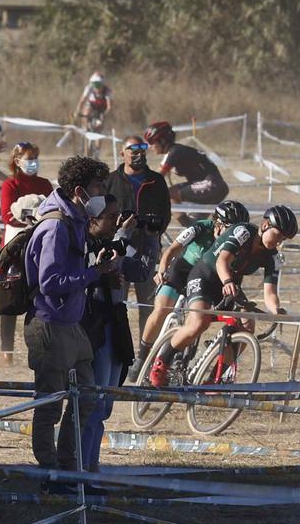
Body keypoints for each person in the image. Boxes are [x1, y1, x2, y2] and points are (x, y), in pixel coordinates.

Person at [23, 155, 118, 486]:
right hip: (50, 323)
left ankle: (68, 467)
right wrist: (94, 273)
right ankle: (51, 472)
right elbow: (50, 282)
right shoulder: (56, 226)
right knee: (50, 404)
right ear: (80, 189)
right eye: (98, 187)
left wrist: (95, 263)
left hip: (73, 326)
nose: (102, 194)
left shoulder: (75, 219)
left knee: (87, 399)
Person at [148, 204, 296, 386]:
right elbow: (222, 261)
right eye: (279, 235)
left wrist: (276, 310)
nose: (279, 242)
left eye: (284, 238)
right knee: (199, 322)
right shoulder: (243, 232)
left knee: (247, 323)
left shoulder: (272, 256)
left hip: (229, 284)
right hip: (206, 275)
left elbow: (270, 291)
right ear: (265, 225)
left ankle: (215, 378)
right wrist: (227, 282)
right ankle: (162, 361)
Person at [77, 200, 149, 478]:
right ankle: (83, 468)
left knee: (105, 404)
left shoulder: (116, 242)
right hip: (95, 325)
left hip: (115, 325)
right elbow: (95, 268)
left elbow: (139, 270)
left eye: (119, 217)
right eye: (110, 217)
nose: (117, 222)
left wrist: (141, 237)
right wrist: (122, 238)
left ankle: (92, 465)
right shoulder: (84, 243)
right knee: (92, 403)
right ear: (92, 220)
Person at [142, 201, 249, 354]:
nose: (234, 234)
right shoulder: (200, 227)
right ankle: (142, 353)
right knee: (161, 309)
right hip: (182, 270)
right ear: (217, 224)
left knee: (196, 318)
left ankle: (181, 353)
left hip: (205, 278)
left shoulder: (236, 242)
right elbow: (172, 249)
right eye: (230, 229)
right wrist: (162, 270)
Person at [104, 137, 171, 341]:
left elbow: (165, 214)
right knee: (116, 303)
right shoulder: (110, 181)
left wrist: (153, 232)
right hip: (116, 251)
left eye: (141, 149)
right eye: (131, 150)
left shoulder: (156, 180)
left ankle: (146, 353)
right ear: (122, 153)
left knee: (149, 307)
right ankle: (116, 348)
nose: (137, 154)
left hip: (146, 251)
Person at [0, 145, 52, 364]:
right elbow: (6, 215)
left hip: (39, 241)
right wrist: (29, 218)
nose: (34, 163)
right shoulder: (10, 184)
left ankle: (38, 347)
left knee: (37, 297)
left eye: (36, 159)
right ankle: (6, 351)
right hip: (15, 243)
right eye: (29, 159)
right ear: (17, 160)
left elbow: (52, 207)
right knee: (9, 297)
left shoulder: (44, 184)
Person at [144, 122, 227, 207]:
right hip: (210, 185)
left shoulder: (174, 152)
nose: (149, 146)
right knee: (194, 220)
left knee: (168, 193)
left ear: (162, 140)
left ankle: (184, 220)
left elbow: (156, 178)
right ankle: (187, 221)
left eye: (151, 142)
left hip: (213, 185)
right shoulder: (174, 151)